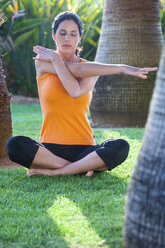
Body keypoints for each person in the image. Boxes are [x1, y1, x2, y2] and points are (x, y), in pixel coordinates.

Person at [6, 11, 157, 177]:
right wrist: (55, 59)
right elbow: (72, 70)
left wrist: (122, 67)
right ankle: (82, 168)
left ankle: (56, 172)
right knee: (15, 145)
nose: (67, 39)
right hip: (50, 149)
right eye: (62, 33)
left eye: (73, 34)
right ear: (54, 35)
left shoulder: (90, 70)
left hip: (85, 148)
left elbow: (76, 89)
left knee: (121, 146)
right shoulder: (43, 62)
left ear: (80, 37)